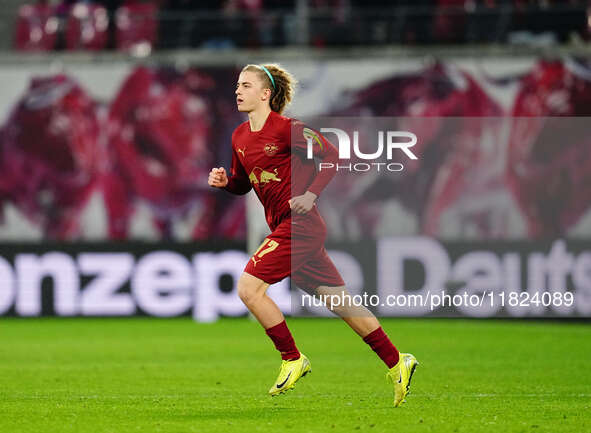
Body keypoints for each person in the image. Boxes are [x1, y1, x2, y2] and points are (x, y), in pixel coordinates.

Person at [207, 63, 418, 407]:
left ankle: (292, 358)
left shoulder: (288, 129)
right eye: (237, 85)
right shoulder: (239, 137)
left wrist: (310, 195)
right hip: (285, 228)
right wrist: (225, 183)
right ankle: (398, 361)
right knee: (342, 303)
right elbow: (243, 183)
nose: (237, 91)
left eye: (246, 85)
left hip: (301, 225)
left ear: (265, 94)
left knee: (249, 288)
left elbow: (332, 154)